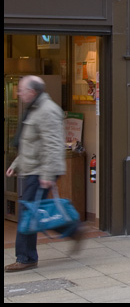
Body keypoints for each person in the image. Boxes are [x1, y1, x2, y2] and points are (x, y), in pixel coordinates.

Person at [5, 76, 82, 273]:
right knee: (33, 211)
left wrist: (47, 174)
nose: (19, 94)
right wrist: (16, 163)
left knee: (28, 213)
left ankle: (26, 257)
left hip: (41, 171)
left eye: (22, 90)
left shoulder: (47, 110)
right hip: (32, 168)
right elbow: (32, 144)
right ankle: (72, 229)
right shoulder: (34, 109)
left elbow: (53, 145)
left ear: (33, 91)